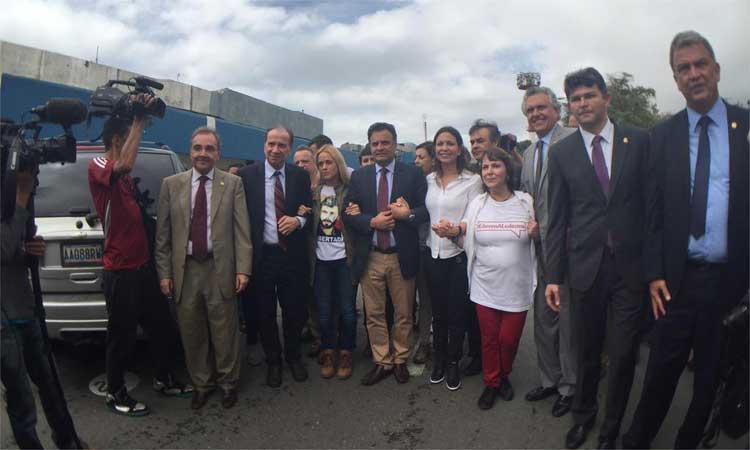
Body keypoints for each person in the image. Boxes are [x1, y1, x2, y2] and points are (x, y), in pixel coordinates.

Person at [623, 31, 749, 449]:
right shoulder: (663, 136)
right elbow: (652, 213)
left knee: (711, 378)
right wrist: (654, 272)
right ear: (675, 80)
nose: (693, 74)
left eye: (700, 64)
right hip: (675, 282)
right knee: (660, 370)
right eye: (684, 68)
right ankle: (637, 440)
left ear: (716, 69)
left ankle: (688, 443)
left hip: (732, 283)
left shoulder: (745, 128)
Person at [544, 67, 651, 450]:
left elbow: (652, 208)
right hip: (584, 269)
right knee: (586, 353)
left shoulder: (639, 141)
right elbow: (555, 218)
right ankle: (583, 417)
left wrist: (655, 268)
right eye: (575, 99)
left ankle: (610, 429)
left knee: (622, 356)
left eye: (589, 95)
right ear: (570, 107)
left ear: (606, 98)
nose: (582, 103)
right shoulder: (562, 153)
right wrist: (553, 276)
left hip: (630, 270)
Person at [87, 99, 192, 417]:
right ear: (117, 140)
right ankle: (116, 394)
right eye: (133, 136)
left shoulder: (125, 179)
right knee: (121, 337)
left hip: (142, 267)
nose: (138, 139)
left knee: (162, 327)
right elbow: (124, 166)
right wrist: (138, 120)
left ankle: (164, 378)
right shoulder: (99, 165)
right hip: (120, 270)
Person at [155, 127, 252, 409]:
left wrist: (243, 269)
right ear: (191, 149)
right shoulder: (171, 185)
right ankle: (201, 383)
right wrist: (164, 274)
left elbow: (242, 231)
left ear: (218, 153)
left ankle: (228, 383)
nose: (202, 154)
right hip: (185, 271)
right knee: (192, 331)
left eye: (209, 149)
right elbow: (163, 236)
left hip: (219, 268)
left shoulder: (232, 184)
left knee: (225, 331)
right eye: (197, 148)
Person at [1, 167, 87, 449]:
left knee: (49, 383)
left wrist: (29, 251)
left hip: (24, 306)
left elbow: (11, 251)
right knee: (21, 396)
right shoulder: (14, 199)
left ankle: (67, 441)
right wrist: (22, 194)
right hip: (4, 319)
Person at [344, 122, 428, 386]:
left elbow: (425, 210)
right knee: (374, 314)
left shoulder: (413, 175)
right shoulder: (359, 177)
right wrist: (372, 222)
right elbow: (348, 214)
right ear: (370, 145)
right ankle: (382, 360)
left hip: (401, 255)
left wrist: (407, 214)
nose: (379, 147)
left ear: (395, 144)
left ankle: (400, 358)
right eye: (375, 143)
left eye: (385, 142)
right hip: (371, 256)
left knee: (404, 313)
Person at [459, 147, 537, 410]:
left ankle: (504, 373)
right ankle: (493, 382)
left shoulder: (526, 201)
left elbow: (539, 238)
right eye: (485, 167)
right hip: (485, 285)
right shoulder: (477, 204)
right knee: (489, 339)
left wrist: (536, 233)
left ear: (507, 169)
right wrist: (451, 230)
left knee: (508, 340)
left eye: (495, 166)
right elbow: (464, 232)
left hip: (517, 286)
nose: (490, 171)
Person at [237, 125, 313, 388]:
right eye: (271, 144)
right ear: (264, 145)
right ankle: (274, 361)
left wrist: (299, 221)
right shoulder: (246, 176)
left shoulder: (301, 176)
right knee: (264, 313)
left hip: (292, 257)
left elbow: (310, 211)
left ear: (289, 149)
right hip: (262, 257)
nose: (275, 149)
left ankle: (293, 356)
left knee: (294, 312)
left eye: (282, 145)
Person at [519, 86, 576, 418]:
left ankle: (570, 387)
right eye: (530, 110)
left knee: (567, 321)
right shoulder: (528, 153)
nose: (536, 114)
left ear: (556, 110)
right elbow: (528, 199)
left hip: (567, 247)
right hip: (538, 250)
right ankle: (550, 379)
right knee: (542, 318)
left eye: (542, 108)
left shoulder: (573, 140)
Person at [424, 127, 482, 391]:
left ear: (460, 148)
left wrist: (456, 228)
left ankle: (453, 362)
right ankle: (438, 359)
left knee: (457, 313)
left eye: (450, 143)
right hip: (432, 254)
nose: (444, 148)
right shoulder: (428, 179)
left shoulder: (473, 181)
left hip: (457, 254)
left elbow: (474, 217)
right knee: (438, 313)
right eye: (440, 144)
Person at [307, 144, 357, 379]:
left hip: (344, 260)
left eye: (329, 162)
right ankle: (328, 351)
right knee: (324, 313)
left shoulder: (350, 191)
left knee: (347, 311)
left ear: (338, 163)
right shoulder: (313, 193)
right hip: (321, 261)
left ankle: (346, 352)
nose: (325, 167)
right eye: (321, 163)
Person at [294, 145, 322, 358]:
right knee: (310, 295)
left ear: (314, 163)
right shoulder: (295, 185)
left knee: (328, 296)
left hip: (326, 247)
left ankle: (330, 336)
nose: (301, 166)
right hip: (303, 249)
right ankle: (316, 334)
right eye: (297, 162)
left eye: (305, 161)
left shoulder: (325, 186)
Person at [412, 141, 435, 365]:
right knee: (425, 299)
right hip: (420, 248)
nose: (417, 161)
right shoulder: (415, 182)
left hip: (445, 249)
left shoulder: (442, 182)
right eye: (415, 157)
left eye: (422, 157)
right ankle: (424, 343)